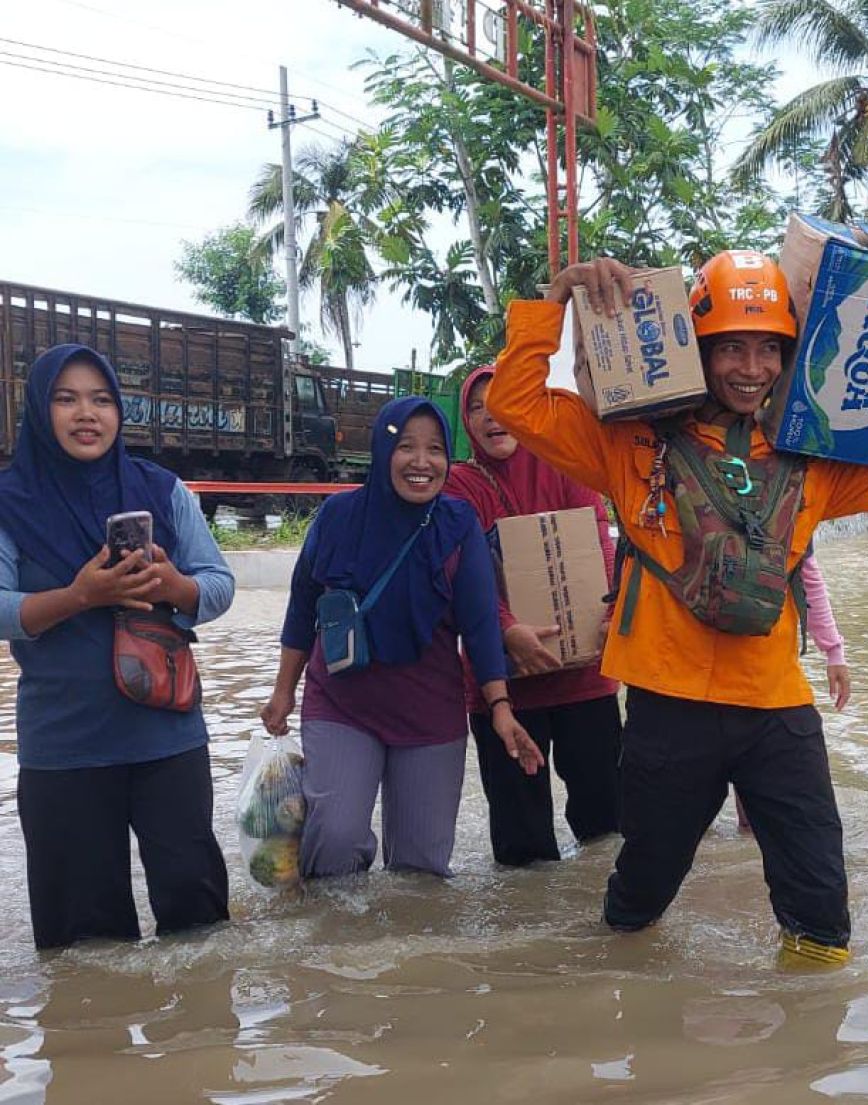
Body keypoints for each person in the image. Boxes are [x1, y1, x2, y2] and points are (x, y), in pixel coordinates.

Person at [486, 250, 868, 966]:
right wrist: (554, 300)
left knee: (822, 902)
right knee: (641, 894)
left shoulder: (814, 455)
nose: (752, 366)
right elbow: (514, 402)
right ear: (698, 348)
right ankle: (622, 1003)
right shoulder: (629, 443)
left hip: (777, 708)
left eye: (770, 347)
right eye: (733, 345)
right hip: (667, 706)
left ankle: (803, 1046)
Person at [0, 344, 234, 950]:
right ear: (38, 409)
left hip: (168, 735)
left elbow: (217, 583)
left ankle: (202, 1049)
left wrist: (174, 585)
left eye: (102, 400)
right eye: (67, 398)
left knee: (197, 918)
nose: (88, 414)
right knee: (86, 945)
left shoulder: (162, 489)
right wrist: (79, 595)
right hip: (65, 747)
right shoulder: (10, 501)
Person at [261, 396, 543, 879]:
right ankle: (334, 950)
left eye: (435, 449)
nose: (422, 462)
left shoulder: (458, 525)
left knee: (422, 871)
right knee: (334, 841)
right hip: (343, 704)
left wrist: (500, 707)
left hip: (429, 712)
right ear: (380, 451)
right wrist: (283, 692)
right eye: (406, 447)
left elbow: (478, 625)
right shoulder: (337, 518)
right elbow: (302, 608)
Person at [445, 366, 622, 866]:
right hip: (502, 689)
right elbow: (461, 575)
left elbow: (597, 542)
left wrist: (608, 613)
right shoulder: (460, 486)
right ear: (466, 421)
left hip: (585, 680)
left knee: (609, 831)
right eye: (476, 408)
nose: (490, 416)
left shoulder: (562, 462)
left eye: (500, 401)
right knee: (523, 854)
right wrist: (506, 630)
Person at [735, 551, 848, 832]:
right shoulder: (787, 510)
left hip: (751, 679)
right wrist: (834, 652)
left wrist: (834, 651)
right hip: (759, 679)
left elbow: (807, 576)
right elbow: (809, 577)